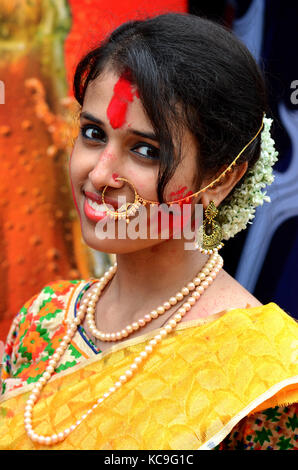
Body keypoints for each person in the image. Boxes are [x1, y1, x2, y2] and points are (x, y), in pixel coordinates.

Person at [0, 12, 297, 450]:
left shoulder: (267, 373)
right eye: (92, 133)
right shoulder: (43, 321)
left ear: (222, 180)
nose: (100, 174)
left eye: (145, 150)